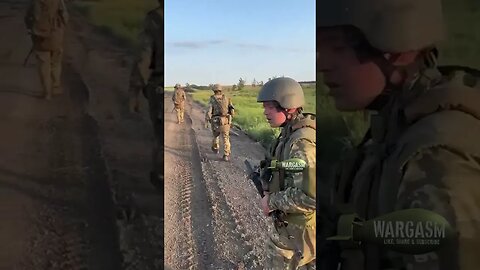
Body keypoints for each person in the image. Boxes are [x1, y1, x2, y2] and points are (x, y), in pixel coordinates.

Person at [317, 0, 480, 269]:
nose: (323, 64)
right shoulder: (398, 127)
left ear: (399, 52)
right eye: (319, 47)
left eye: (337, 47)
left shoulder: (437, 161)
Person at [256, 77, 316, 269]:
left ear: (288, 107)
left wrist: (271, 202)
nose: (265, 112)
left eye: (270, 107)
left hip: (298, 231)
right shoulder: (290, 132)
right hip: (297, 229)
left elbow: (310, 197)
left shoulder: (301, 142)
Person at [128, 0, 163, 188]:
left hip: (158, 86)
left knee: (160, 137)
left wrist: (133, 93)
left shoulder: (154, 20)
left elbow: (143, 57)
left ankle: (160, 178)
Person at [25, 0, 69, 100]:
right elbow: (65, 16)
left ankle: (47, 92)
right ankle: (56, 86)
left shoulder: (35, 2)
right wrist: (62, 29)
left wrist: (30, 29)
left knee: (43, 65)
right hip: (55, 36)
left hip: (40, 37)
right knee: (56, 62)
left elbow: (27, 18)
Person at [205, 84, 234, 161]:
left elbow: (209, 111)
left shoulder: (212, 99)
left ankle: (216, 148)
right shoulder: (227, 98)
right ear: (221, 90)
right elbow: (232, 110)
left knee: (216, 136)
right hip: (225, 120)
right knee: (226, 138)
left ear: (214, 91)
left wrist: (208, 120)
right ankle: (226, 155)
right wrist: (230, 120)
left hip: (216, 121)